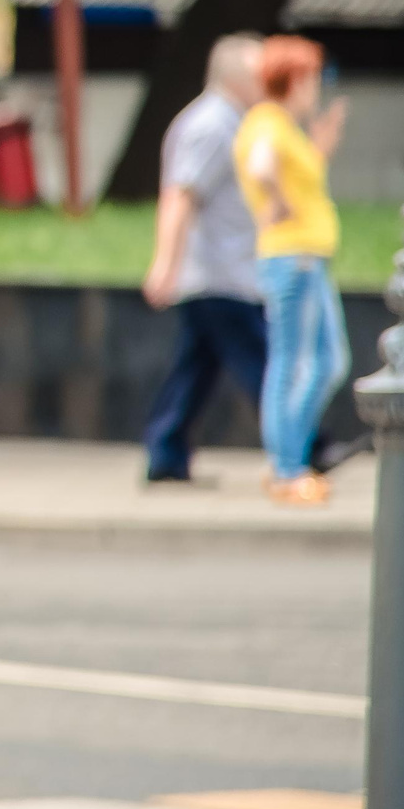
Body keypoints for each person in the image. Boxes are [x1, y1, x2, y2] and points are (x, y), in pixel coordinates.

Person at [138, 33, 269, 485]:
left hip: (225, 272)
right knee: (261, 364)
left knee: (195, 370)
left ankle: (166, 451)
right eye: (261, 74)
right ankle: (305, 445)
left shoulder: (231, 122)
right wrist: (164, 264)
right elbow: (180, 197)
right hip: (218, 275)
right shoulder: (212, 126)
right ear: (237, 77)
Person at [234, 35, 350, 507]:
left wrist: (318, 149)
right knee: (298, 362)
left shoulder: (281, 126)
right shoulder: (268, 122)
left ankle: (289, 461)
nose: (315, 88)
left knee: (319, 361)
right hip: (294, 257)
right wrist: (278, 204)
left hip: (303, 257)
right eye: (311, 79)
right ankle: (287, 467)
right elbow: (262, 168)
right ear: (296, 79)